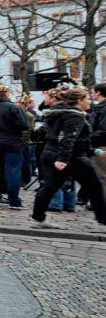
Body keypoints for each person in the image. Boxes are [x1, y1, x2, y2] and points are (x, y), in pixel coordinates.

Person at [31, 87, 106, 228]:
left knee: (49, 187)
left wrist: (93, 151)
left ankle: (38, 218)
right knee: (95, 187)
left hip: (53, 153)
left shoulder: (57, 113)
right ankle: (103, 218)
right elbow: (68, 138)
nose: (89, 101)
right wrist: (62, 159)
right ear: (79, 101)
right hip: (71, 157)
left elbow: (52, 135)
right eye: (86, 98)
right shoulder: (75, 115)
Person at [90, 83, 106, 188]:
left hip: (101, 145)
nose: (91, 95)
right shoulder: (99, 107)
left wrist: (88, 137)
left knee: (101, 176)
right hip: (100, 144)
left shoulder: (102, 108)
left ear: (98, 92)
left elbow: (103, 129)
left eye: (92, 92)